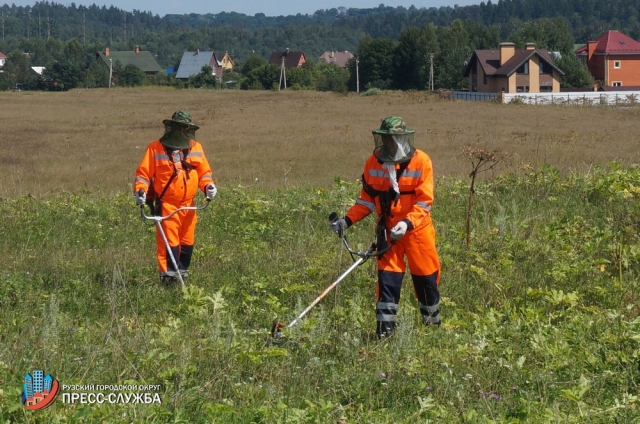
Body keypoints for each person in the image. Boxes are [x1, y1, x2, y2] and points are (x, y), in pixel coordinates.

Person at [331, 116, 441, 337]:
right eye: (387, 138)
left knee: (426, 278)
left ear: (403, 138)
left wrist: (407, 223)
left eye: (395, 138)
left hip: (416, 231)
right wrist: (347, 220)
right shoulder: (373, 163)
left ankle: (432, 330)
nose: (391, 143)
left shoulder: (421, 161)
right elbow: (366, 200)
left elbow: (424, 202)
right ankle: (385, 332)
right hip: (387, 232)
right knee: (387, 280)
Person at [133, 111, 217, 284]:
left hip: (189, 206)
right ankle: (168, 280)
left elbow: (204, 173)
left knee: (187, 243)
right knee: (169, 244)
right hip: (167, 206)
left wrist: (209, 186)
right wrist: (140, 191)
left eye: (186, 128)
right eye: (181, 127)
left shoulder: (196, 147)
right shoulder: (155, 148)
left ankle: (182, 275)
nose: (184, 131)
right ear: (173, 128)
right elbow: (143, 175)